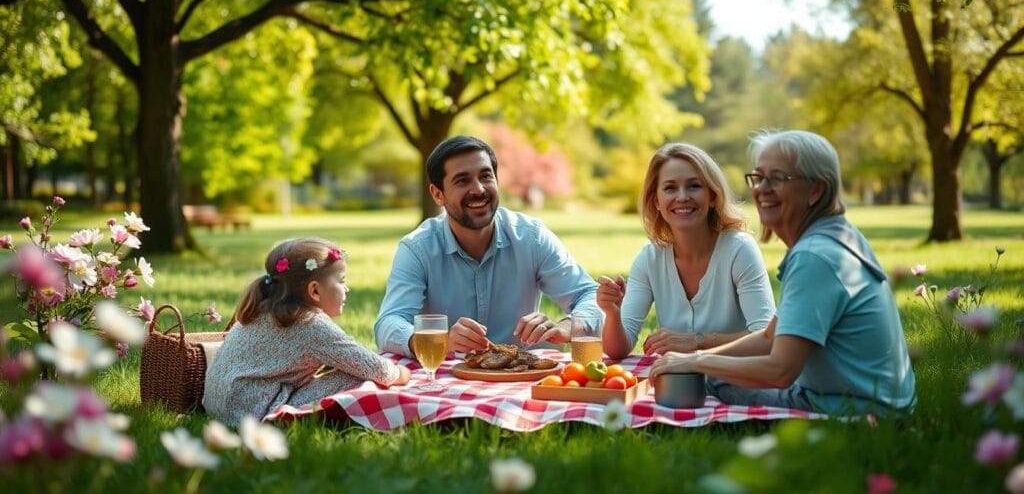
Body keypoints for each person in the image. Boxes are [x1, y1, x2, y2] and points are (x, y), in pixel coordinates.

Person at [650, 130, 917, 417]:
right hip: (874, 402)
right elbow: (769, 338)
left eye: (776, 178)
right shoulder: (834, 237)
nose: (762, 189)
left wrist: (697, 363)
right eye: (759, 177)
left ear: (816, 189)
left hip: (854, 411)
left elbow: (780, 370)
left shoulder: (815, 256)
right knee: (710, 373)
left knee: (713, 381)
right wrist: (695, 358)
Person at [374, 135, 602, 357]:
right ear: (437, 194)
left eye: (486, 176)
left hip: (521, 376)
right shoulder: (417, 248)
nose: (479, 189)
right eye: (462, 180)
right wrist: (438, 340)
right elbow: (388, 323)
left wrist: (568, 326)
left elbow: (589, 294)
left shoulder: (531, 237)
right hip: (451, 378)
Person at [204, 238, 411, 427]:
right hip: (254, 416)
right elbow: (379, 370)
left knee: (352, 366)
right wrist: (402, 372)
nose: (346, 288)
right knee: (358, 377)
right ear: (314, 290)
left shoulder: (263, 308)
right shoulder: (309, 323)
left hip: (219, 408)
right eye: (341, 281)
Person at [597, 143, 776, 359]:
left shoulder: (739, 249)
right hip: (677, 382)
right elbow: (616, 350)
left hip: (736, 382)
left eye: (693, 186)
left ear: (712, 196)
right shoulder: (649, 259)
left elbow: (767, 338)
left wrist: (696, 342)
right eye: (670, 188)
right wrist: (612, 313)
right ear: (656, 201)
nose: (682, 197)